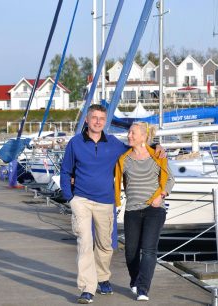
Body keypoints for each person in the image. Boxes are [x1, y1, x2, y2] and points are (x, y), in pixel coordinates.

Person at [60, 105, 165, 304]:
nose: (98, 122)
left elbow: (136, 148)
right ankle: (87, 289)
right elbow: (65, 171)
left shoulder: (114, 143)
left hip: (106, 201)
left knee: (105, 245)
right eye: (94, 118)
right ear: (87, 120)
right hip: (81, 199)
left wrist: (157, 145)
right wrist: (69, 198)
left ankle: (103, 277)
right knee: (84, 242)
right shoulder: (75, 143)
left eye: (101, 118)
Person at [114, 122, 174, 302]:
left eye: (133, 133)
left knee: (148, 250)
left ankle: (143, 289)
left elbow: (170, 178)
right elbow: (113, 178)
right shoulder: (124, 159)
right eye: (129, 132)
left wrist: (161, 195)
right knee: (131, 251)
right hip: (132, 209)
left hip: (154, 209)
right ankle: (135, 279)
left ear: (143, 136)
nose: (129, 135)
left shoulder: (157, 156)